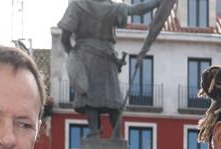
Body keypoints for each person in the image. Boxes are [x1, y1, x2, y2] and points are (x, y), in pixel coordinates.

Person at [58, 0, 165, 138]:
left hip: (85, 58)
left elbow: (64, 38)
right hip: (107, 58)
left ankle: (94, 132)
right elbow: (137, 9)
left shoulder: (77, 5)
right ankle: (117, 137)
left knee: (89, 98)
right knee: (113, 100)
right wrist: (158, 2)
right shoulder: (113, 7)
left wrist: (73, 55)